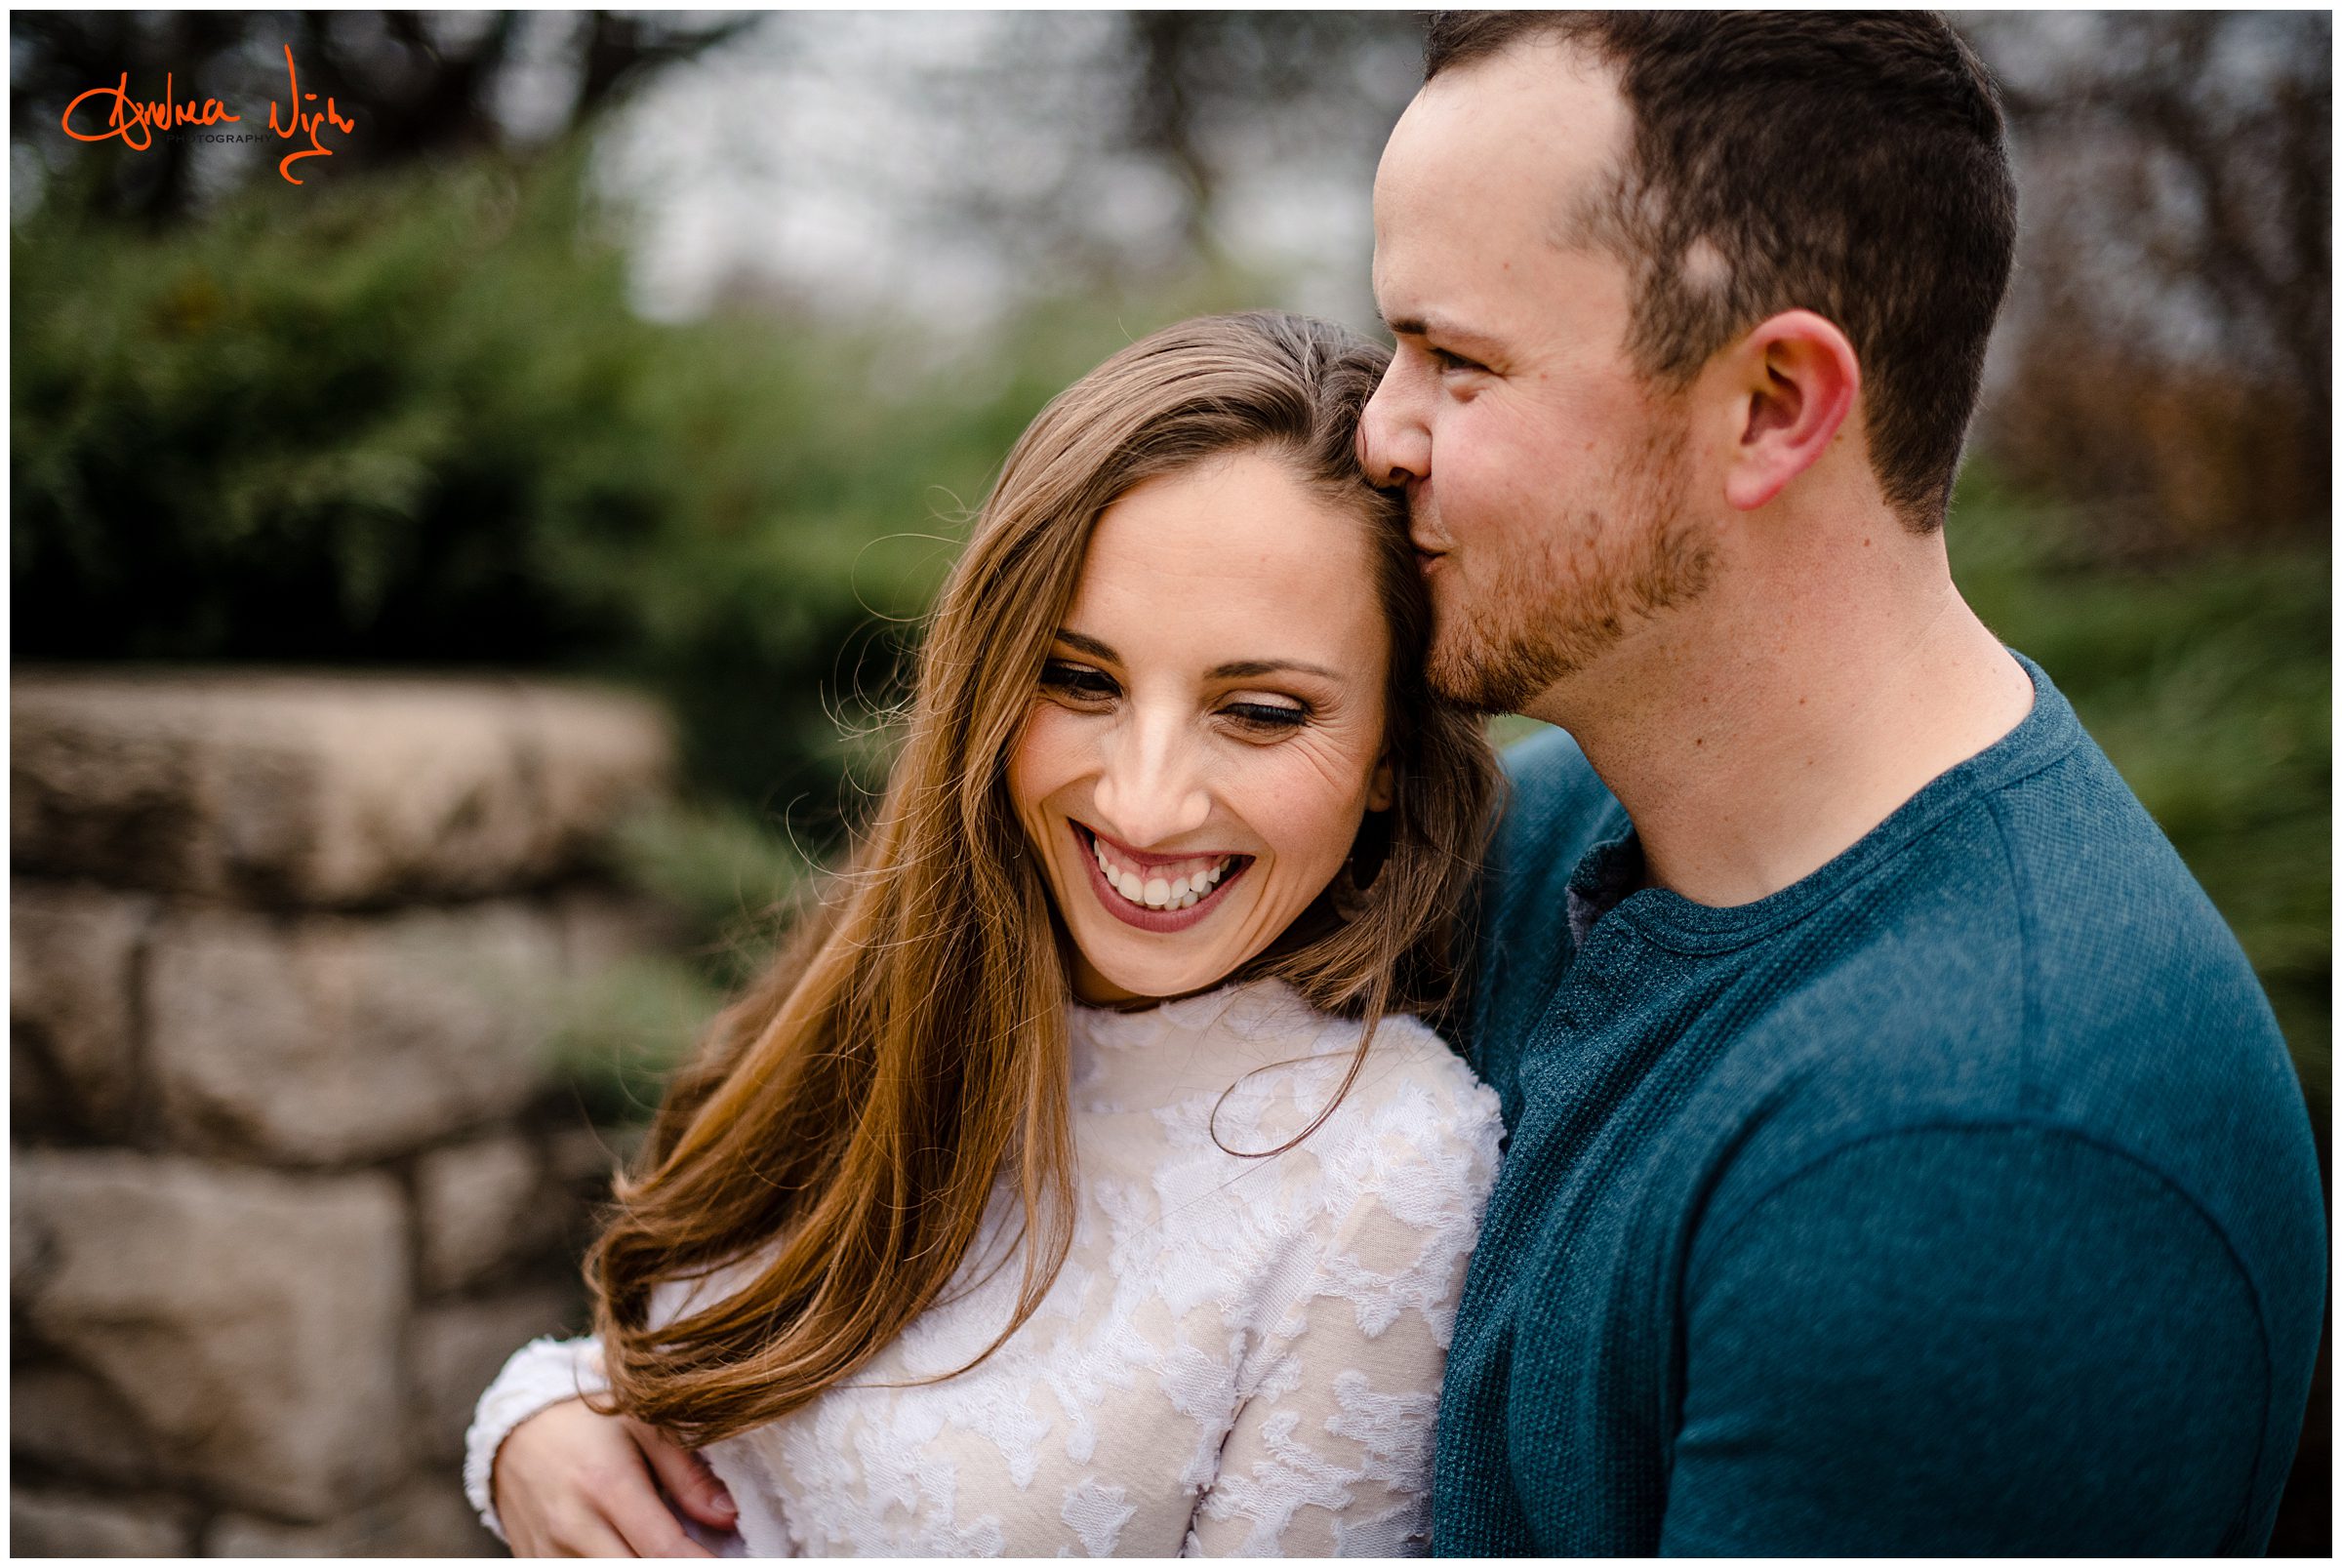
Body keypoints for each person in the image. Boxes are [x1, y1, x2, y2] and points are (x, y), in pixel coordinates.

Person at [1358, 11, 2324, 1554]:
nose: (1378, 433)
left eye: (1457, 363)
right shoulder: (1544, 828)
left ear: (1773, 406)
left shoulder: (1987, 1148)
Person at [464, 311, 1508, 1556]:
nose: (1144, 800)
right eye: (1081, 680)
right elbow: (707, 1377)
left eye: (1262, 710)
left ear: (1392, 749)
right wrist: (535, 1422)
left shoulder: (1385, 1167)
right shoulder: (900, 979)